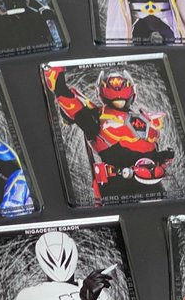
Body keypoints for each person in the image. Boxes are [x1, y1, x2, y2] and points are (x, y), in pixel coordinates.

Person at [43, 65, 174, 201]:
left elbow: (146, 153)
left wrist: (162, 157)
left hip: (154, 188)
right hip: (117, 191)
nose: (117, 89)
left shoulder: (144, 119)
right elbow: (64, 94)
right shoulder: (96, 117)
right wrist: (54, 69)